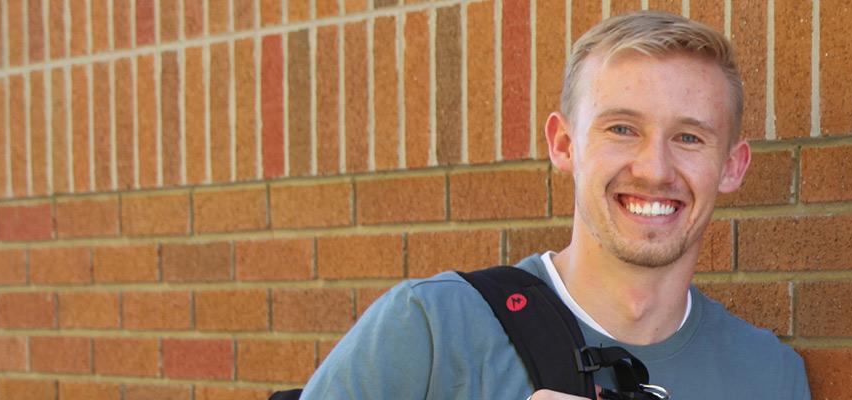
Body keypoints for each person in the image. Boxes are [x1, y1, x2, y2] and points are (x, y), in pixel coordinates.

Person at [300, 11, 809, 399]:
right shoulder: (433, 327)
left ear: (732, 167)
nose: (655, 169)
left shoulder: (768, 374)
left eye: (690, 137)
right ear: (564, 145)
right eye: (622, 129)